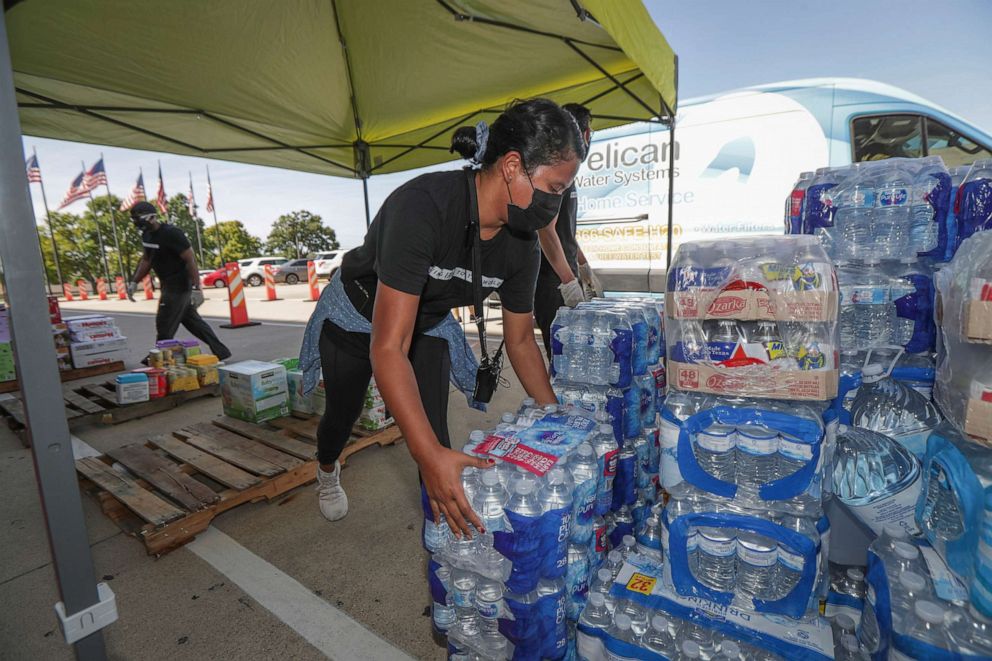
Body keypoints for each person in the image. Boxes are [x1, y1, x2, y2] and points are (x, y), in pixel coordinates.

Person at [298, 99, 586, 534]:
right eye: (556, 189)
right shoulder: (422, 206)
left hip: (427, 321)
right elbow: (388, 346)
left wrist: (556, 419)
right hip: (358, 316)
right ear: (512, 166)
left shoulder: (521, 244)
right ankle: (325, 469)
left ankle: (445, 543)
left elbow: (522, 341)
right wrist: (426, 453)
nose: (556, 206)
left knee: (434, 436)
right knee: (343, 412)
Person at [534, 103, 604, 361]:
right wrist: (568, 282)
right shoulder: (555, 173)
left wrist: (584, 267)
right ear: (584, 134)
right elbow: (545, 231)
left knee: (577, 358)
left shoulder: (568, 173)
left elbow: (565, 233)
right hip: (552, 283)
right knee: (563, 360)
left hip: (564, 277)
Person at [127, 201, 231, 360]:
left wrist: (197, 288)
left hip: (179, 285)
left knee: (164, 323)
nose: (137, 224)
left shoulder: (172, 233)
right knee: (192, 321)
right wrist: (135, 281)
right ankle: (221, 351)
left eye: (139, 220)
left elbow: (190, 260)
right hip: (166, 284)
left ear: (152, 217)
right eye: (134, 220)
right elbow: (147, 260)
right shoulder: (146, 235)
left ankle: (157, 358)